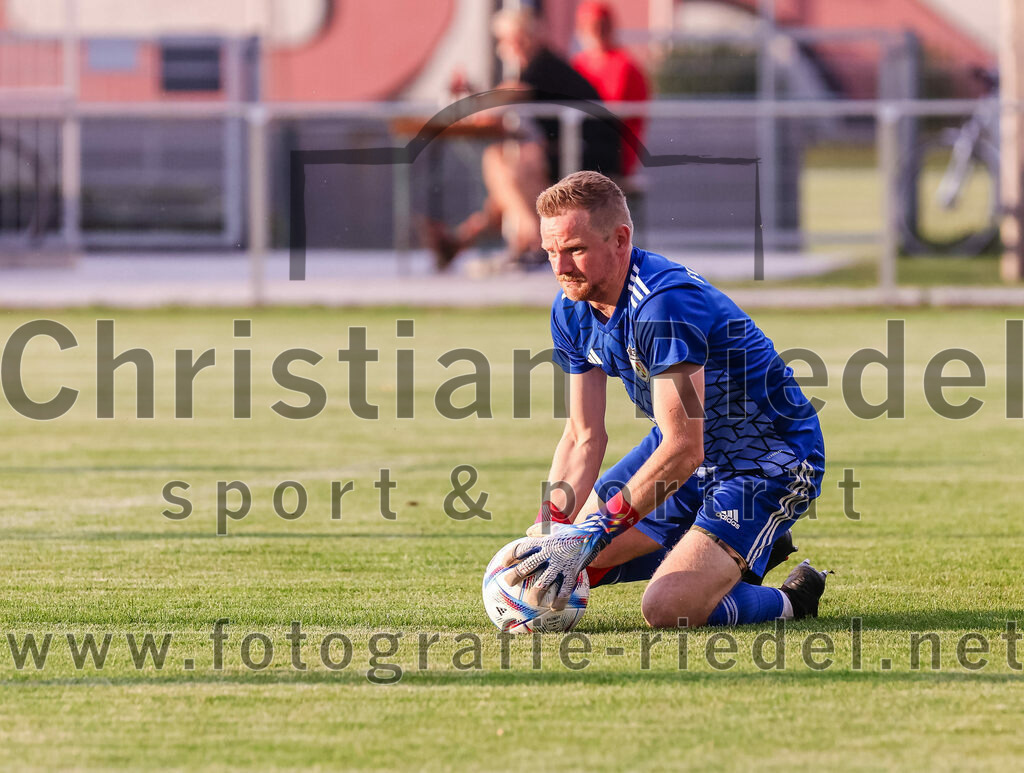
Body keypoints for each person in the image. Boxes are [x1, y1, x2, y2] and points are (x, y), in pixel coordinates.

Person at [503, 171, 829, 628]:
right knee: (553, 567)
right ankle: (735, 550)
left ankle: (792, 598)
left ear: (620, 240)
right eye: (551, 251)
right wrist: (550, 526)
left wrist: (594, 530)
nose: (561, 267)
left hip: (767, 461)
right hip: (681, 456)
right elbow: (581, 435)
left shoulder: (663, 304)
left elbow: (684, 447)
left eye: (575, 249)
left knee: (668, 608)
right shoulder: (570, 309)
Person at [424, 8, 621, 272]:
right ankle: (467, 241)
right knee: (505, 179)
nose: (502, 48)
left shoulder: (542, 65)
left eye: (505, 40)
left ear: (520, 39)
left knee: (508, 164)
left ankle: (533, 239)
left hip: (590, 153)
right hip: (572, 148)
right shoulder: (539, 67)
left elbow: (499, 103)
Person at [571, 1, 649, 178]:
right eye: (589, 26)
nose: (595, 31)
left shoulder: (624, 65)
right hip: (584, 144)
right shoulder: (579, 63)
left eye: (600, 25)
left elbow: (611, 116)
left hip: (612, 151)